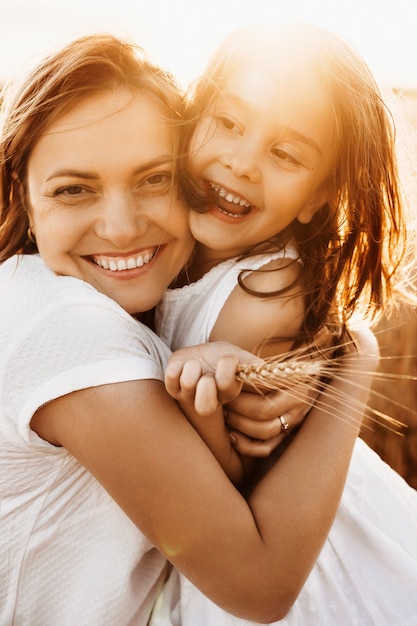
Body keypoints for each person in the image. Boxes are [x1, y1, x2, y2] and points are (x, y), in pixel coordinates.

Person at [0, 33, 379, 625]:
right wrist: (357, 362)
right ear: (22, 190)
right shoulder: (68, 325)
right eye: (74, 188)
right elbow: (258, 581)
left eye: (154, 178)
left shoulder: (211, 290)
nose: (123, 229)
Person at [154, 22, 417, 625]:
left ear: (316, 199)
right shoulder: (164, 243)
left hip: (316, 570)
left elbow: (227, 479)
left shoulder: (265, 294)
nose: (242, 162)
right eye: (228, 122)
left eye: (285, 154)